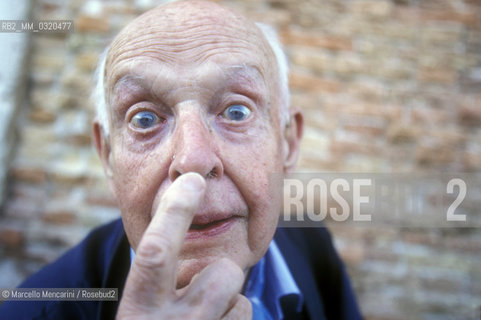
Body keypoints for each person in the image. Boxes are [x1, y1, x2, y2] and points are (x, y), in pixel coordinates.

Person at [0, 1, 362, 319]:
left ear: (288, 144)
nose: (193, 159)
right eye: (144, 120)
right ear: (107, 156)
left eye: (236, 112)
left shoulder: (310, 243)